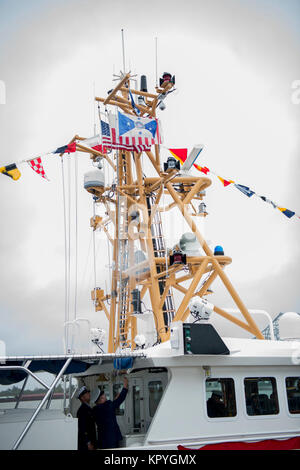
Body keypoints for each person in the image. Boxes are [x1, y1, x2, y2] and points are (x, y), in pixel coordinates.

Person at [92, 376, 128, 449]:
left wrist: (114, 402)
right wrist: (125, 387)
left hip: (102, 440)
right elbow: (120, 399)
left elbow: (108, 409)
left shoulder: (95, 410)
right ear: (101, 399)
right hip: (112, 439)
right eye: (103, 395)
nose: (105, 396)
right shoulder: (108, 406)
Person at [76, 385, 97, 451]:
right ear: (82, 398)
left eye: (88, 393)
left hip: (92, 441)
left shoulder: (88, 408)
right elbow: (82, 429)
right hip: (87, 445)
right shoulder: (82, 411)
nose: (89, 394)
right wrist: (88, 443)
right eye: (87, 393)